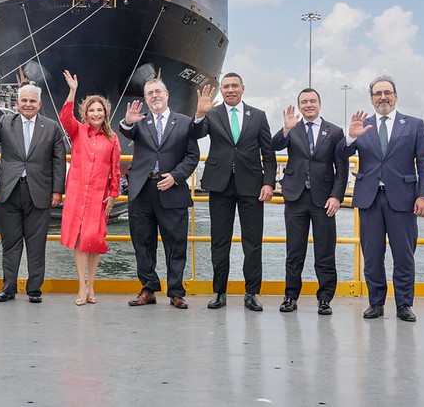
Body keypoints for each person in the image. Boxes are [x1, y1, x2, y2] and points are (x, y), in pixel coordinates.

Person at [337, 75, 424, 322]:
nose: (383, 97)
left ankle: (403, 304)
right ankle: (376, 303)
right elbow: (340, 155)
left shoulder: (414, 125)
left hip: (403, 199)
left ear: (395, 95)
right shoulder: (363, 125)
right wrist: (350, 137)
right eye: (377, 93)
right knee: (372, 255)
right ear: (371, 99)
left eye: (387, 92)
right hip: (369, 199)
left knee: (404, 254)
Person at [193, 73, 276, 311]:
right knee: (220, 242)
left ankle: (251, 293)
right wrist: (200, 114)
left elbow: (268, 154)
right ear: (222, 90)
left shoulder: (258, 116)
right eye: (226, 86)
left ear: (242, 88)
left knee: (253, 242)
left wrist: (268, 183)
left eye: (234, 86)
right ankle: (219, 292)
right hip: (220, 185)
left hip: (252, 186)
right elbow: (196, 134)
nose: (230, 90)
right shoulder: (213, 113)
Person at [0, 80, 66, 303]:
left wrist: (57, 191)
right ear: (17, 103)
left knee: (37, 244)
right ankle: (8, 288)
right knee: (10, 243)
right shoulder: (6, 122)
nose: (28, 105)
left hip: (39, 192)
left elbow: (58, 161)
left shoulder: (52, 127)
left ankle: (34, 289)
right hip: (9, 191)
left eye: (32, 101)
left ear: (39, 103)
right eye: (24, 100)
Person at [120, 79, 200, 309]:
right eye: (149, 93)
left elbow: (192, 155)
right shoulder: (139, 121)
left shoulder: (185, 123)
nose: (154, 96)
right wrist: (127, 121)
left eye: (158, 92)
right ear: (145, 99)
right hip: (142, 190)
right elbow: (125, 130)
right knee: (142, 242)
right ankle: (148, 288)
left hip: (172, 188)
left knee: (176, 243)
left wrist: (176, 176)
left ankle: (176, 292)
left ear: (167, 95)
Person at [271, 89, 348, 315]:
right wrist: (285, 128)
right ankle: (290, 296)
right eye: (303, 102)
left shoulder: (334, 131)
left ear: (320, 104)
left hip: (324, 199)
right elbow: (274, 145)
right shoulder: (292, 128)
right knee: (294, 251)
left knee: (325, 251)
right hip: (295, 197)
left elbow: (341, 168)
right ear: (299, 106)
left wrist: (336, 195)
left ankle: (325, 298)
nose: (308, 105)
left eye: (312, 101)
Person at [59, 71, 121, 306]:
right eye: (91, 110)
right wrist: (73, 91)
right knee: (78, 239)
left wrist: (113, 194)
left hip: (98, 195)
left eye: (100, 110)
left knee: (93, 239)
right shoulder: (77, 132)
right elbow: (65, 117)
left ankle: (92, 284)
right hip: (77, 192)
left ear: (105, 113)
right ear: (85, 113)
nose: (96, 114)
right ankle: (81, 286)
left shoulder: (112, 138)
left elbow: (115, 168)